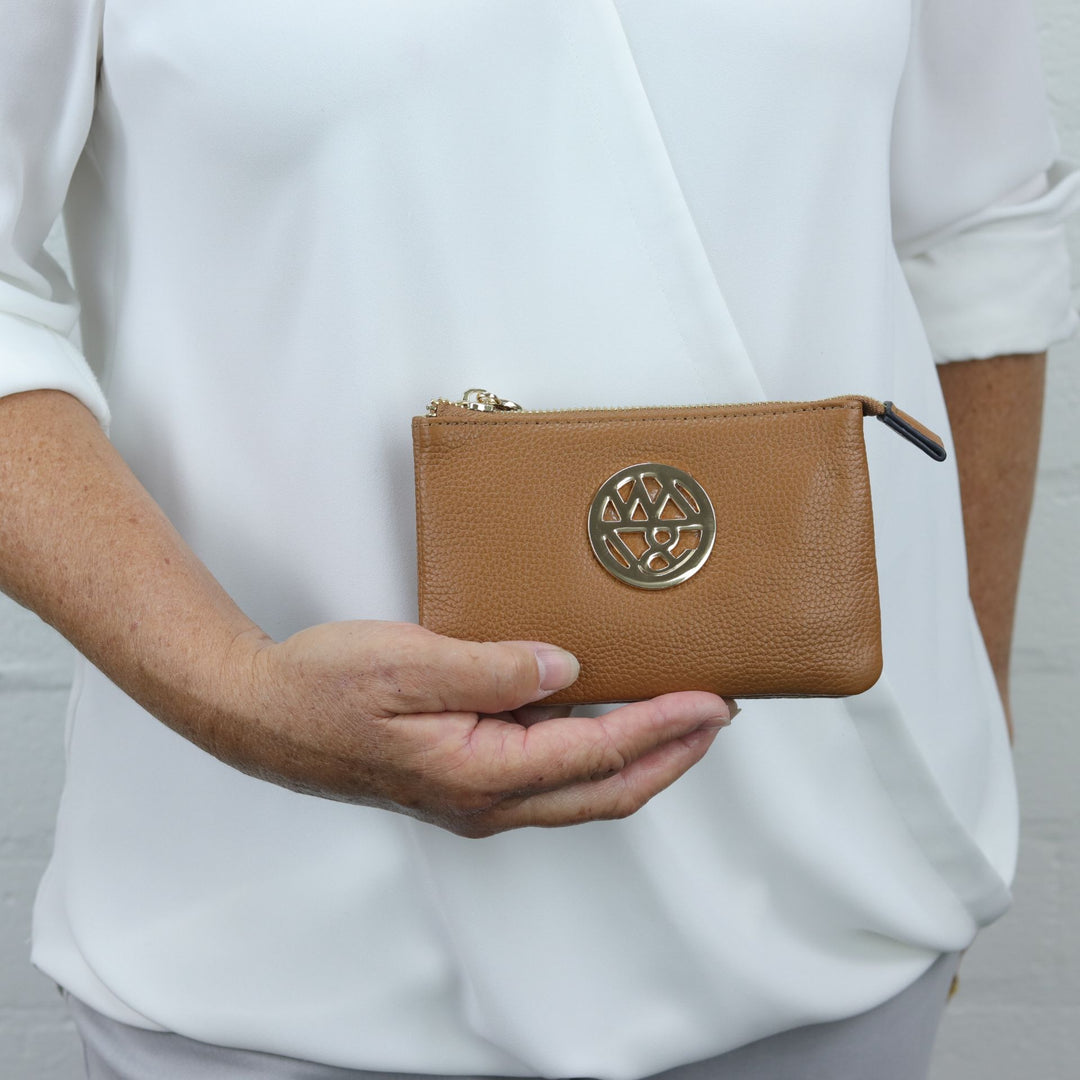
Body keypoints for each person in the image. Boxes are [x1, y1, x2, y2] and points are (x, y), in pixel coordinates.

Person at [1, 2, 1077, 1078]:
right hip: (269, 957)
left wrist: (965, 732)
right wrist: (236, 692)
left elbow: (974, 231)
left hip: (835, 912)